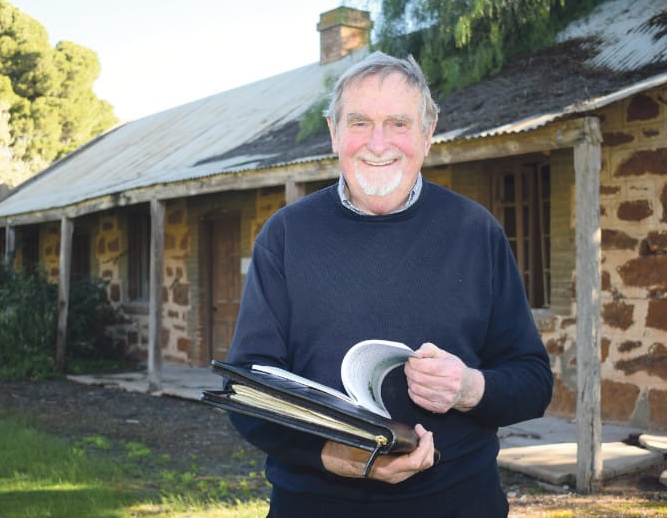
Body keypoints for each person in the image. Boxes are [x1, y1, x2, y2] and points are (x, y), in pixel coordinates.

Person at [225, 51, 553, 517]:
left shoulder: (476, 232)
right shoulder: (285, 235)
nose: (378, 144)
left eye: (398, 123)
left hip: (458, 504)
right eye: (359, 123)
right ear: (335, 134)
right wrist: (335, 457)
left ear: (428, 133)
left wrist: (468, 389)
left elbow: (533, 381)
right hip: (316, 505)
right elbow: (248, 390)